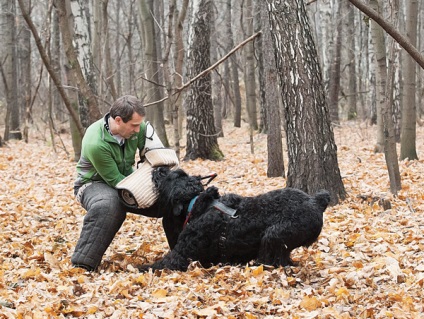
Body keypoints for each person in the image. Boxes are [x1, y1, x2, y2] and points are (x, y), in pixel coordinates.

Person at [72, 95, 162, 271]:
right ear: (118, 120)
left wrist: (162, 187)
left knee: (173, 198)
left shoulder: (139, 127)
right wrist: (147, 191)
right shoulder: (95, 141)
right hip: (92, 184)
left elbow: (155, 157)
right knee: (110, 204)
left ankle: (183, 257)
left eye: (139, 125)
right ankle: (83, 264)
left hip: (127, 179)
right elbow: (117, 182)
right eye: (134, 126)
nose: (138, 130)